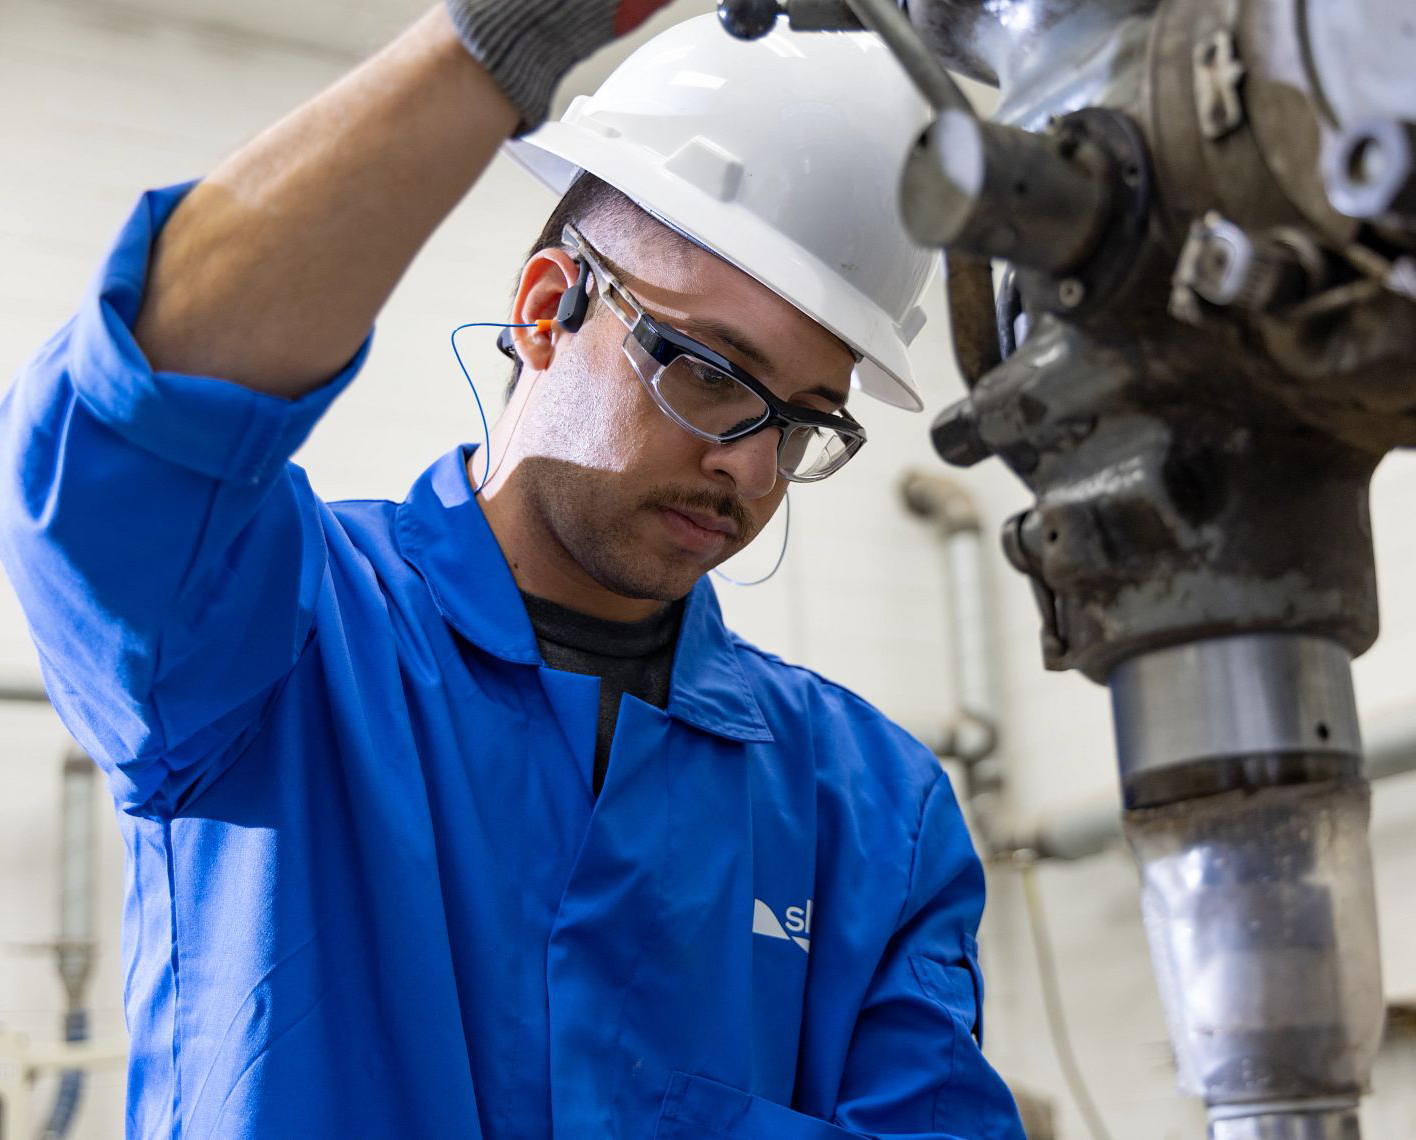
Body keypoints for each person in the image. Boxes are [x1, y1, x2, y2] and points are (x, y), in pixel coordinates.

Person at [0, 1, 1026, 1137]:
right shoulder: (281, 638)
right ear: (547, 311)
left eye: (801, 422)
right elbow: (122, 442)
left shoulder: (873, 811)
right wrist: (492, 44)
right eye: (710, 372)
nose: (748, 468)